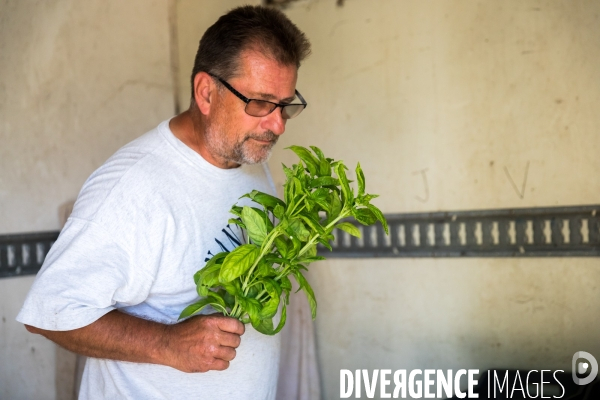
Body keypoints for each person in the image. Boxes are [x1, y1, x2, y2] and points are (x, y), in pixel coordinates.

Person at [17, 5, 311, 399]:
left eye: (285, 105)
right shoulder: (133, 186)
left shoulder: (249, 159)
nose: (277, 125)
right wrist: (167, 343)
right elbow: (50, 312)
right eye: (260, 102)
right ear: (207, 92)